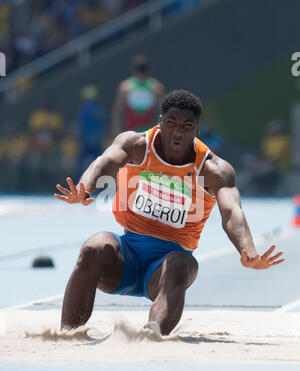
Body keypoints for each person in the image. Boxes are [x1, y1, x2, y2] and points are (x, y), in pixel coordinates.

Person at [54, 89, 285, 336]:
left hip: (167, 265)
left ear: (197, 129)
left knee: (179, 265)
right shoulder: (136, 145)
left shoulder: (214, 169)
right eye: (172, 123)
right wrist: (85, 186)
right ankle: (67, 335)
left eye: (187, 125)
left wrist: (247, 250)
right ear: (160, 122)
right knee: (94, 246)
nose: (178, 131)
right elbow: (105, 161)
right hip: (126, 257)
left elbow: (232, 213)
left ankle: (151, 337)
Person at [111, 54, 165, 137]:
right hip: (144, 133)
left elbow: (117, 111)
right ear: (149, 69)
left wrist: (116, 129)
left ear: (133, 70)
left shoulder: (125, 87)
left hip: (135, 133)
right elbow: (162, 112)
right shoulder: (157, 87)